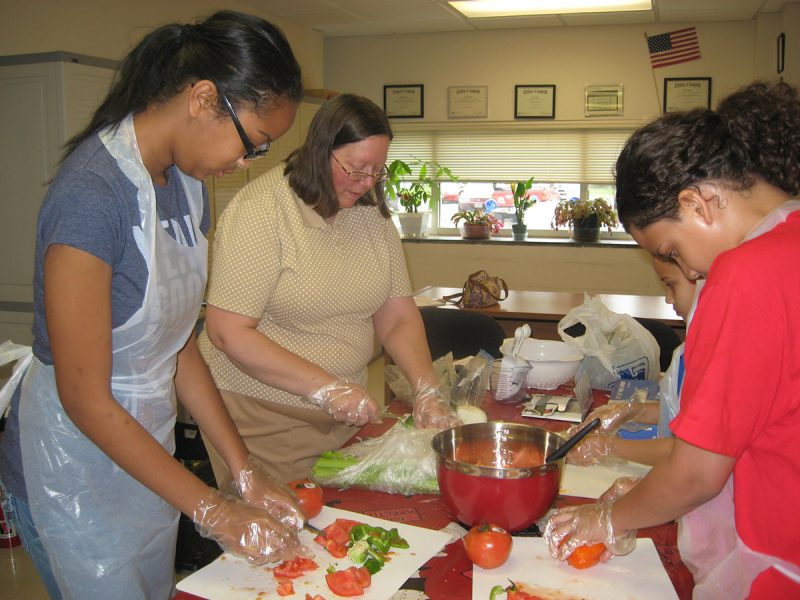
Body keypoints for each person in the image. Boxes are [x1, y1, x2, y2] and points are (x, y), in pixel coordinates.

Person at [0, 11, 311, 599]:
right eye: (253, 145)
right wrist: (214, 509)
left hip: (146, 450)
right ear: (202, 99)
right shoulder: (91, 199)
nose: (246, 164)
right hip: (70, 463)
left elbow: (176, 341)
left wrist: (242, 468)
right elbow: (86, 400)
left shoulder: (186, 182)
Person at [542, 81, 800, 599]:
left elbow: (699, 474)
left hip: (778, 552)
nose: (691, 271)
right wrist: (645, 493)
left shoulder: (745, 275)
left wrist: (609, 518)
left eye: (673, 251)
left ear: (698, 203)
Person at [198, 93, 457, 487]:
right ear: (320, 152)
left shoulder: (370, 217)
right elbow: (226, 332)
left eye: (378, 170)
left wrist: (426, 389)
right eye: (356, 169)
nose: (367, 183)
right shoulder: (262, 211)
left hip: (343, 412)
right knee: (293, 529)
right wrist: (326, 388)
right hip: (266, 414)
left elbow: (398, 316)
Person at [567, 256, 697, 466]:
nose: (668, 299)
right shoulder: (692, 346)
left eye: (672, 285)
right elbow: (681, 412)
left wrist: (609, 447)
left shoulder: (725, 355)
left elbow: (692, 454)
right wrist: (631, 411)